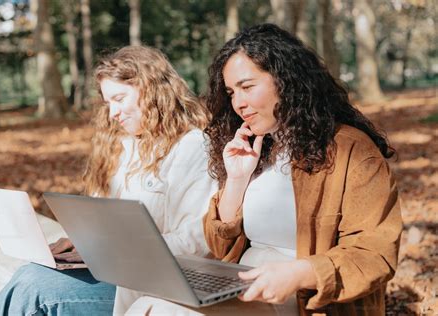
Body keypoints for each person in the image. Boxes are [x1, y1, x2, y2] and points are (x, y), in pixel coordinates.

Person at [127, 23, 402, 315]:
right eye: (232, 92)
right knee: (146, 302)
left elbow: (374, 254)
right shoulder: (259, 146)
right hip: (242, 287)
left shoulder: (351, 150)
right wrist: (236, 179)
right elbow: (220, 248)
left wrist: (298, 273)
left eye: (247, 87)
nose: (238, 103)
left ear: (287, 81)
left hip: (304, 299)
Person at [0, 46, 217, 316]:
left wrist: (108, 251)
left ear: (152, 88)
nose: (113, 113)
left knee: (34, 288)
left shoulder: (192, 147)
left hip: (154, 284)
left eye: (120, 98)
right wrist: (80, 240)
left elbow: (199, 241)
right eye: (108, 103)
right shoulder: (121, 145)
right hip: (110, 270)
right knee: (31, 274)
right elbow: (102, 220)